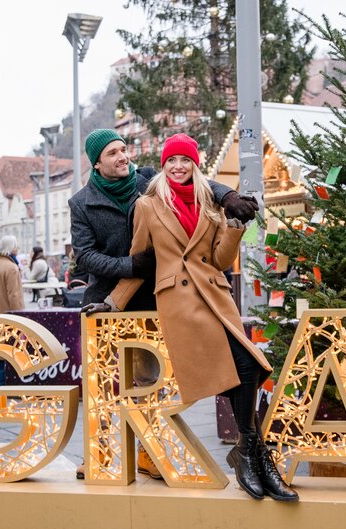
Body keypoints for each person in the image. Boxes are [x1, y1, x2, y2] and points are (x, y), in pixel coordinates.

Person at [90, 134, 298, 502]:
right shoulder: (147, 206)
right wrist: (112, 302)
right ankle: (254, 455)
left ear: (195, 165)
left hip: (215, 297)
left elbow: (218, 260)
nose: (178, 167)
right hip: (181, 305)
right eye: (172, 161)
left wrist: (234, 226)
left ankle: (249, 452)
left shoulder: (210, 203)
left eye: (185, 160)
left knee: (246, 367)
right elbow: (141, 263)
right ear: (164, 164)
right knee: (243, 366)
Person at [69, 128, 258, 481]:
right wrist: (130, 266)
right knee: (105, 384)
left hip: (152, 295)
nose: (123, 157)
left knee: (150, 381)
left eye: (124, 150)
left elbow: (193, 177)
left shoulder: (145, 181)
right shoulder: (81, 202)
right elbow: (85, 256)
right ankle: (99, 452)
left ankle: (149, 453)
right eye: (113, 153)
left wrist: (228, 194)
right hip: (111, 298)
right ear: (97, 163)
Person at [0, 236, 26, 385]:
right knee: (8, 347)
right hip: (7, 312)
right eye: (16, 246)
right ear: (11, 248)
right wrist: (20, 315)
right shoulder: (11, 267)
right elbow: (14, 295)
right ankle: (3, 381)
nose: (17, 249)